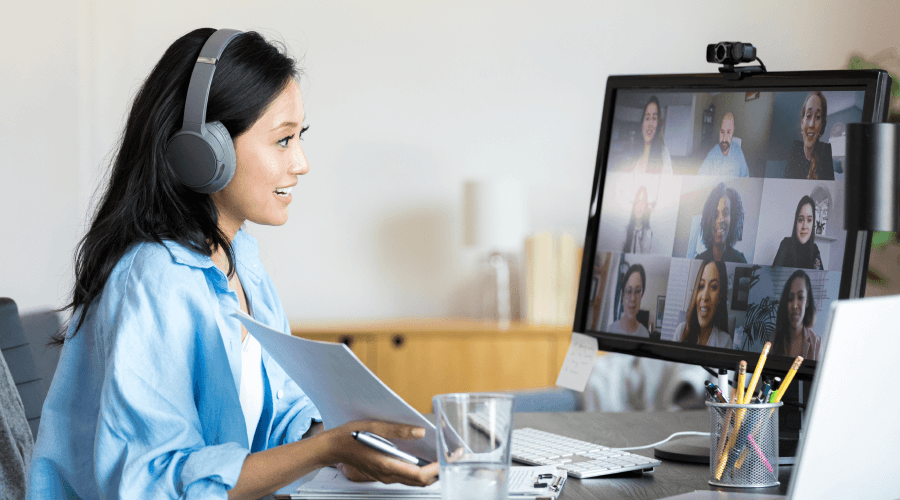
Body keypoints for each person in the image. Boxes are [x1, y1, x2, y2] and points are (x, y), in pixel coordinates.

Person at [27, 29, 438, 499]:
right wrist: (326, 450)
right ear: (204, 151)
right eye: (282, 140)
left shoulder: (240, 258)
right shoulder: (153, 280)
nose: (301, 162)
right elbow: (154, 485)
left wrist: (348, 449)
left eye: (298, 137)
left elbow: (278, 418)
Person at [675, 260, 731, 348]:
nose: (704, 297)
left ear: (720, 296)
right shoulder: (681, 331)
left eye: (713, 287)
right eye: (701, 286)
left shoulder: (725, 341)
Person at [770, 270, 821, 360]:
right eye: (790, 298)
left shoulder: (817, 343)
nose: (794, 305)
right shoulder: (774, 337)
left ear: (807, 302)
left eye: (800, 297)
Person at [784, 91, 834, 180]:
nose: (811, 124)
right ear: (802, 122)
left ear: (821, 125)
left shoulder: (826, 150)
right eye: (808, 115)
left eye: (818, 117)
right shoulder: (795, 148)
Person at [695, 183, 747, 263]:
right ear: (708, 220)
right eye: (716, 214)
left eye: (725, 213)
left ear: (732, 219)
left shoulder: (740, 261)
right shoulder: (699, 260)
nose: (720, 220)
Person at [772, 195, 824, 270]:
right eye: (800, 220)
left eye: (809, 220)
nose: (804, 226)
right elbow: (774, 275)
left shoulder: (815, 249)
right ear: (796, 222)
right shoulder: (785, 244)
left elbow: (820, 278)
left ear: (813, 225)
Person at [627, 96, 674, 174]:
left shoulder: (664, 154)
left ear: (658, 124)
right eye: (647, 118)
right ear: (642, 123)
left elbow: (668, 182)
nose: (650, 124)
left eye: (654, 118)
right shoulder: (632, 150)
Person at [697, 111, 750, 177]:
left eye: (728, 132)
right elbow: (700, 176)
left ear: (733, 131)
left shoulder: (738, 152)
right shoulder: (713, 153)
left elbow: (746, 177)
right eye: (722, 132)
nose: (724, 139)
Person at [606, 264, 650, 338]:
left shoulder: (645, 334)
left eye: (637, 291)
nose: (633, 298)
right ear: (623, 296)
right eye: (629, 291)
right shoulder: (610, 330)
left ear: (641, 296)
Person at [623, 186, 653, 253]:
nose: (639, 207)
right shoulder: (626, 229)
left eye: (642, 203)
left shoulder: (648, 233)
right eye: (638, 202)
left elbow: (646, 253)